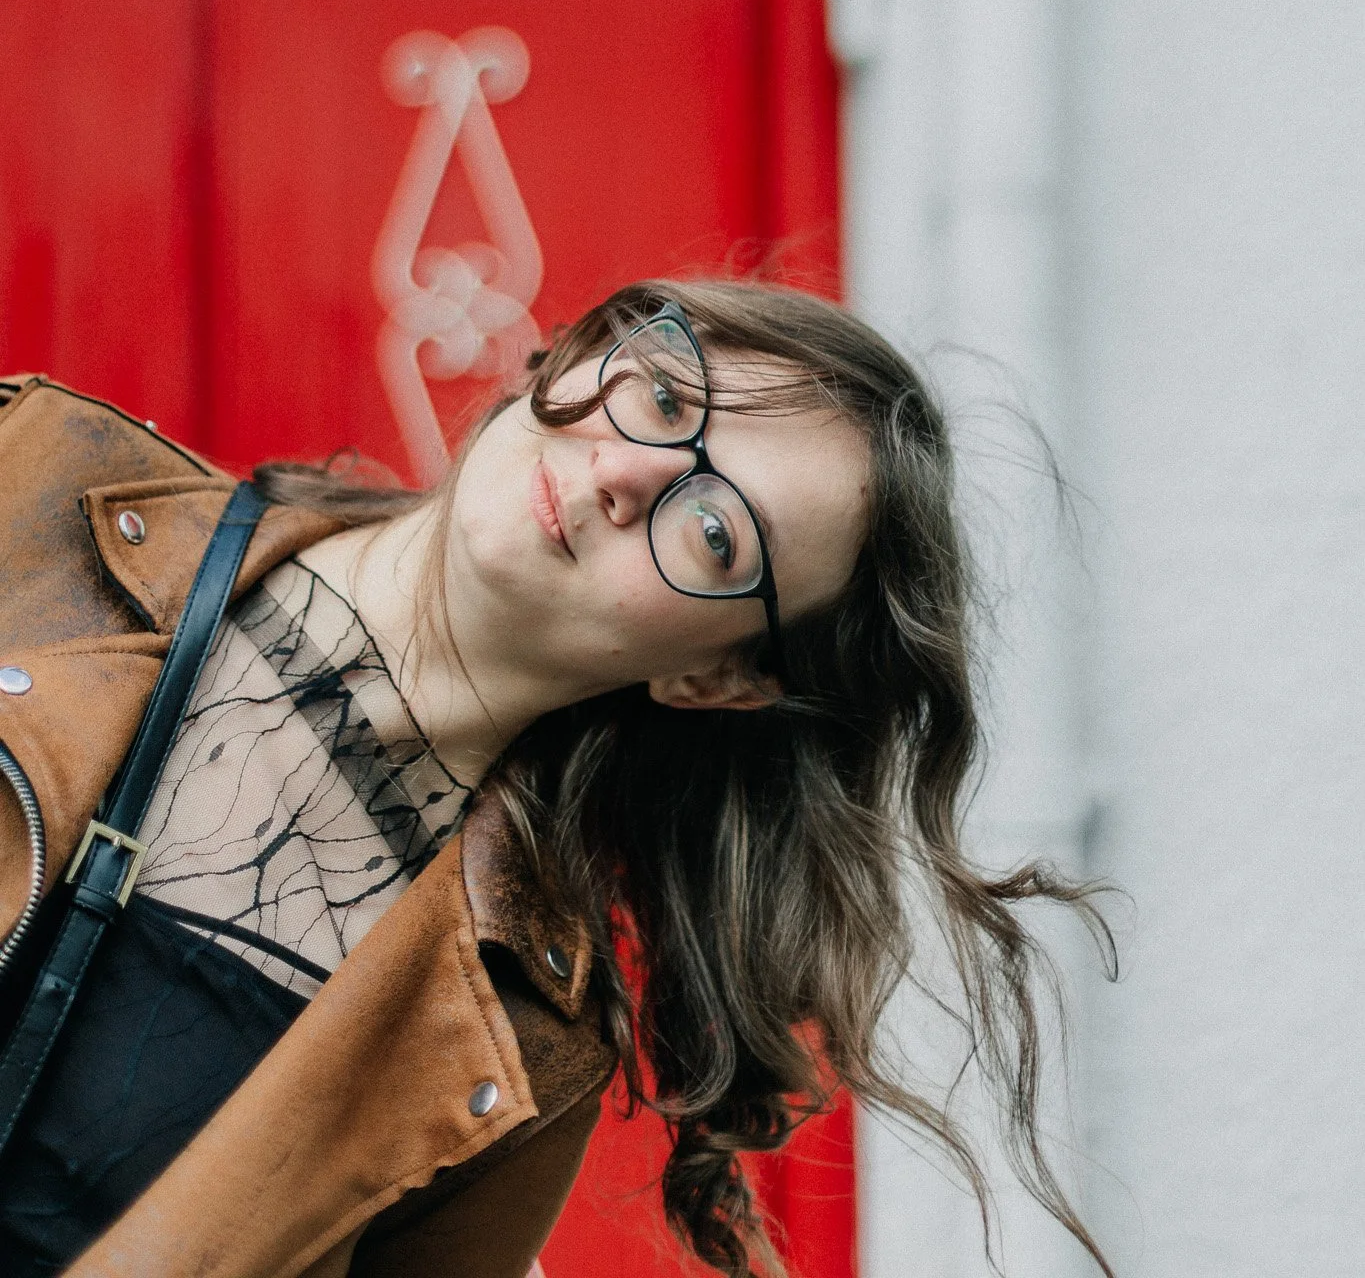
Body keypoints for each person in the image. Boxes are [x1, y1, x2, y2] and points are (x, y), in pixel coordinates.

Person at [0, 278, 1112, 1278]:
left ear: (716, 678)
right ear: (572, 357)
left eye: (714, 529)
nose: (624, 471)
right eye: (667, 396)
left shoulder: (506, 1061)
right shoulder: (30, 485)